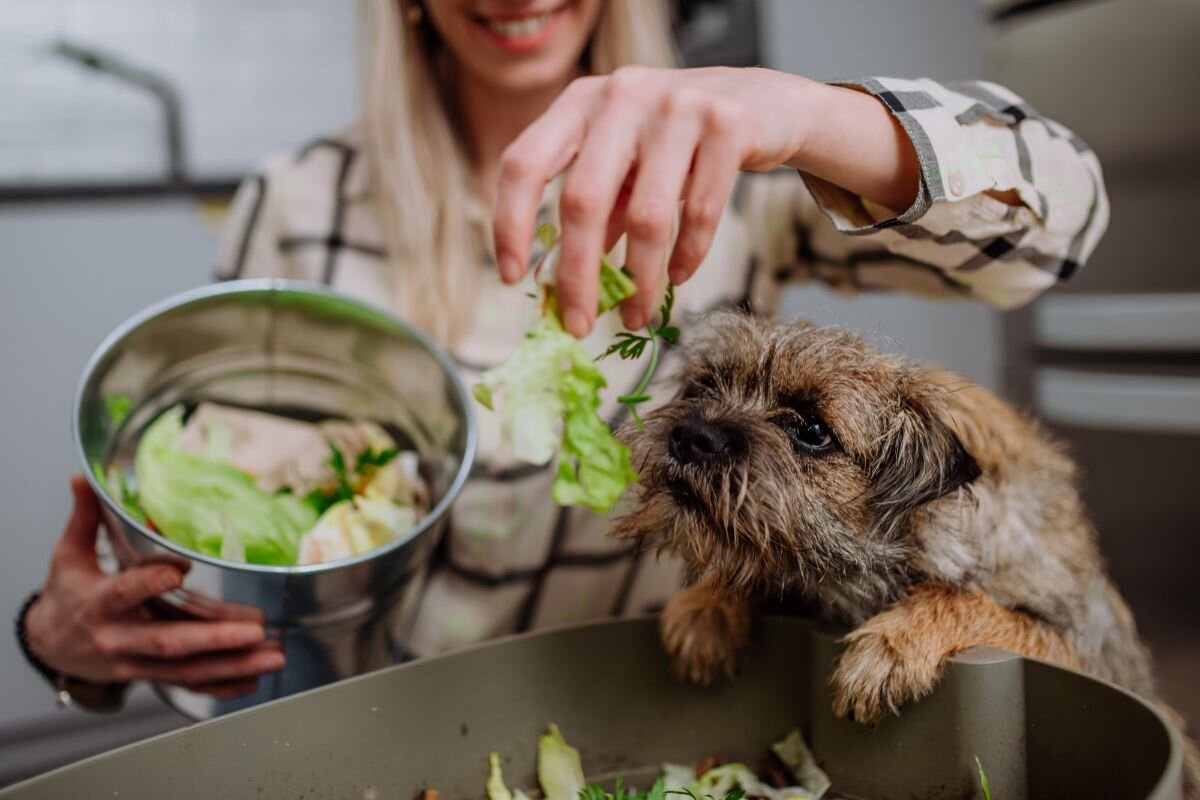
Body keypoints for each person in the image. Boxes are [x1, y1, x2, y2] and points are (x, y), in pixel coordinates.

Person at [17, 0, 1108, 711]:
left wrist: (810, 114)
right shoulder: (296, 207)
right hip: (386, 719)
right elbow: (258, 572)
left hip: (658, 705)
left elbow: (1063, 225)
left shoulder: (749, 171)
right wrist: (69, 646)